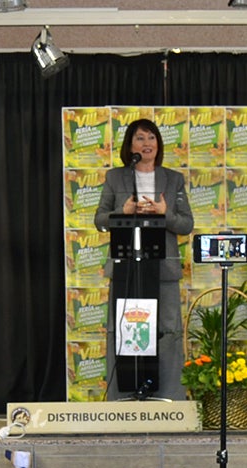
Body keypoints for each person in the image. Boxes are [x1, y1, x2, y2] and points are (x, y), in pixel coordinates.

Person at [94, 118, 195, 401]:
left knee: (168, 331)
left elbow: (186, 225)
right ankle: (121, 398)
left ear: (159, 144)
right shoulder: (115, 177)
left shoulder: (173, 179)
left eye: (151, 138)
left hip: (162, 268)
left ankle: (170, 398)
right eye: (140, 138)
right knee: (124, 332)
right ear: (130, 146)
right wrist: (121, 213)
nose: (147, 144)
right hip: (126, 268)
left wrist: (164, 214)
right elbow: (99, 220)